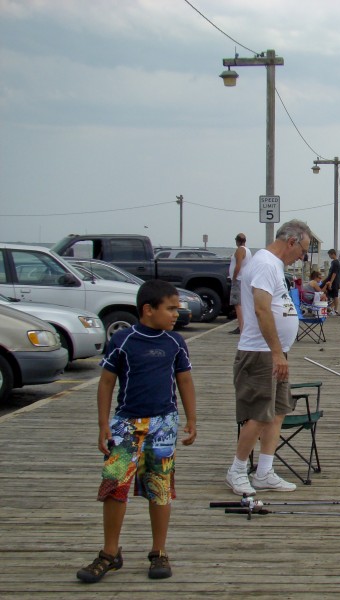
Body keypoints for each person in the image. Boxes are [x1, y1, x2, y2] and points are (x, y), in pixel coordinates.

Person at [76, 279, 197, 583]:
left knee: (160, 488)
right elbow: (106, 382)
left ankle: (159, 551)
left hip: (163, 425)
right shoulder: (123, 340)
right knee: (115, 486)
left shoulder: (175, 342)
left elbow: (184, 380)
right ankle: (110, 552)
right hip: (127, 424)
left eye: (177, 309)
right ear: (148, 309)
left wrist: (192, 419)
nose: (176, 314)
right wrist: (103, 424)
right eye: (170, 308)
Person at [225, 219, 312, 497]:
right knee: (259, 414)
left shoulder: (274, 265)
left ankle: (264, 471)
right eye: (303, 251)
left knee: (277, 411)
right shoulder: (264, 263)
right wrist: (276, 353)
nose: (302, 257)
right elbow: (262, 309)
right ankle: (237, 470)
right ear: (291, 241)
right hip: (261, 352)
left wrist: (280, 352)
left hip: (275, 353)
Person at [229, 233, 252, 334]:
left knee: (237, 304)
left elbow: (238, 265)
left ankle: (241, 327)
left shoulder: (240, 250)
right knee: (243, 304)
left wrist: (234, 277)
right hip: (244, 280)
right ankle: (243, 326)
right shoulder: (248, 250)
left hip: (239, 279)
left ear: (237, 241)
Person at [322, 248, 340, 316]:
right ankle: (330, 307)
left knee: (335, 296)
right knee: (333, 295)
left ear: (333, 254)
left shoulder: (335, 262)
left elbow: (334, 273)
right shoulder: (334, 262)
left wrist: (330, 282)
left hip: (334, 282)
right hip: (332, 281)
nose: (329, 256)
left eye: (330, 255)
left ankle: (335, 309)